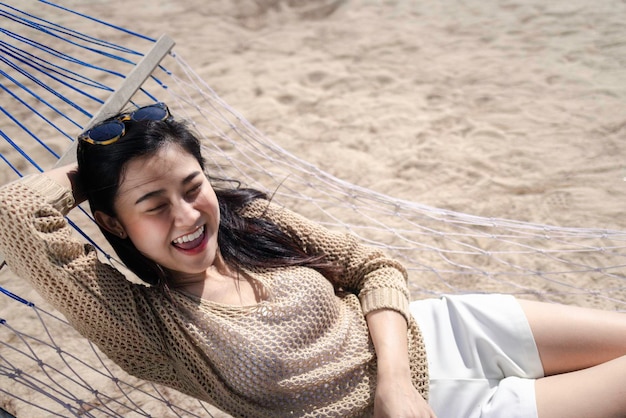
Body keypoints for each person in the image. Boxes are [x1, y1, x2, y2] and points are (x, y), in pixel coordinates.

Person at [0, 102, 624, 418]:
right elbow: (12, 214)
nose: (188, 217)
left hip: (439, 334)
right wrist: (98, 173)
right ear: (114, 222)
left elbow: (374, 268)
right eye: (153, 205)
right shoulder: (147, 325)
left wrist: (396, 380)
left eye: (192, 187)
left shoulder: (249, 228)